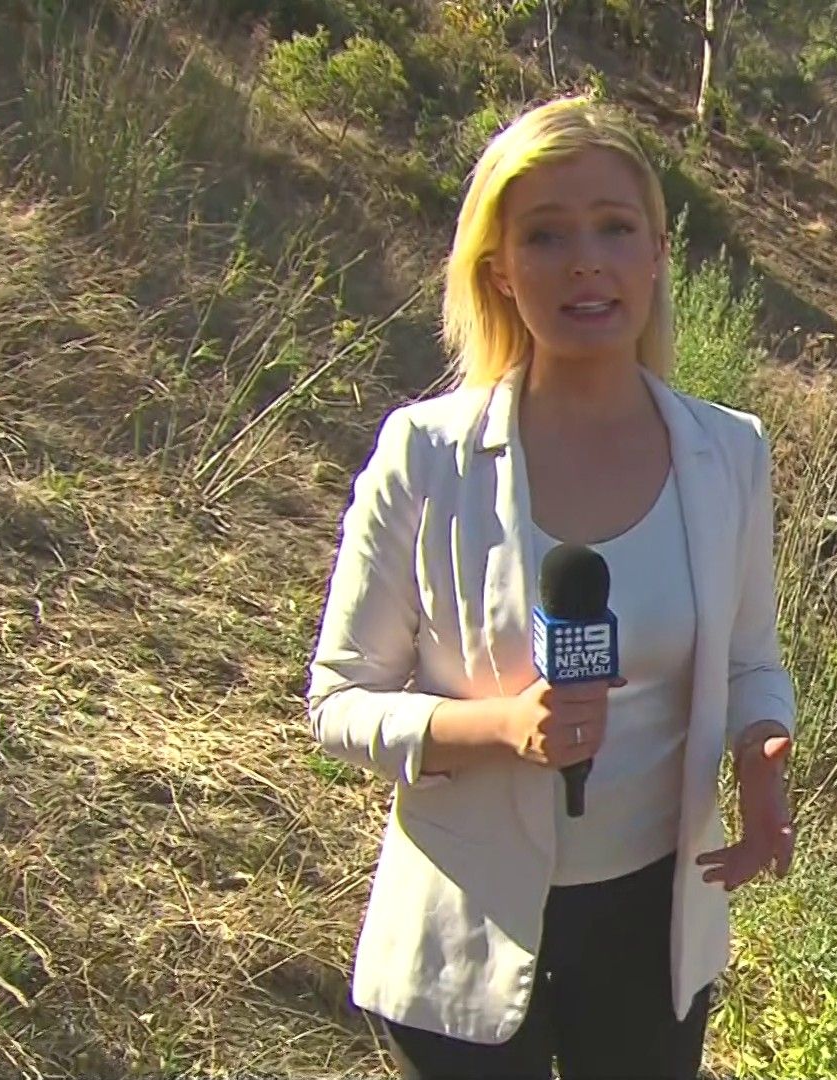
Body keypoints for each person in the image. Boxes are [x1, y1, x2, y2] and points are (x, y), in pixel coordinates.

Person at [304, 93, 798, 1080]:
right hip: (466, 926)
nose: (585, 263)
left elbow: (751, 660)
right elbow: (339, 702)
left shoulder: (730, 454)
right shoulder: (426, 455)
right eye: (546, 235)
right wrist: (499, 730)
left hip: (653, 930)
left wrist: (761, 751)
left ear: (657, 254)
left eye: (615, 228)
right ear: (499, 268)